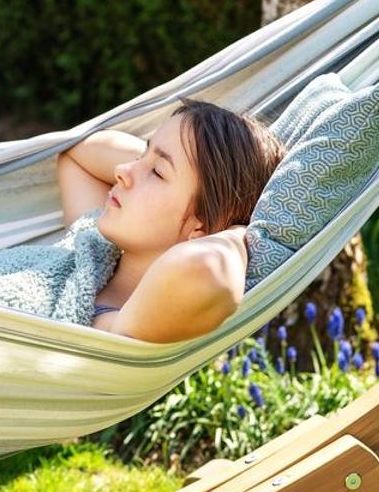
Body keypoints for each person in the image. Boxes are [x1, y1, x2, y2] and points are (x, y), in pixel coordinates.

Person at [57, 97, 286, 342]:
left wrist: (239, 231)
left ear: (201, 227)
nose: (121, 171)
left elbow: (207, 267)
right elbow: (76, 154)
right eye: (139, 156)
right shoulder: (90, 244)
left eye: (156, 172)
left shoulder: (115, 326)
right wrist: (158, 158)